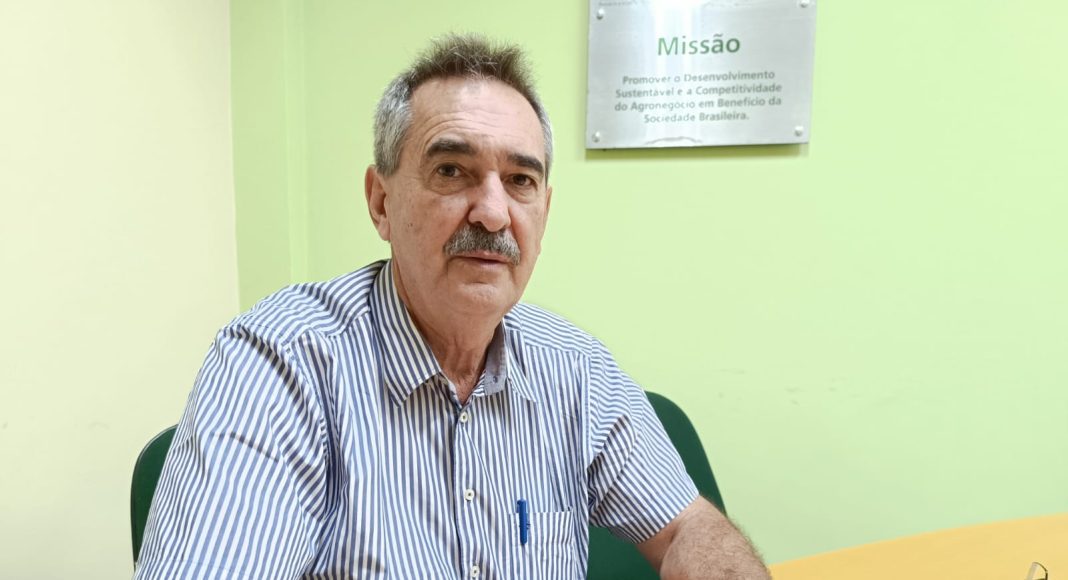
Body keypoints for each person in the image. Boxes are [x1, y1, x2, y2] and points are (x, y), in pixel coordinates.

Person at [134, 34, 770, 580]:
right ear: (381, 202)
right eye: (451, 171)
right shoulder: (278, 362)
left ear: (544, 212)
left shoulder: (577, 369)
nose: (493, 212)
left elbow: (689, 527)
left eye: (520, 181)